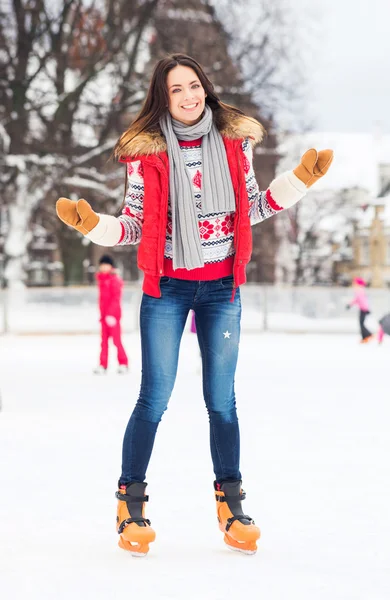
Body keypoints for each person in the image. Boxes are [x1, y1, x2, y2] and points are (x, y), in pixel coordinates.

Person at [56, 53, 333, 556]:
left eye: (193, 85)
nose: (188, 96)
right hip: (168, 289)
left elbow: (253, 207)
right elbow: (135, 225)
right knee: (154, 399)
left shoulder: (233, 144)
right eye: (176, 89)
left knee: (221, 402)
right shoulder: (149, 155)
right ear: (163, 99)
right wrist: (92, 225)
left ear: (204, 88)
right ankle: (130, 504)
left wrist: (299, 180)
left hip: (222, 287)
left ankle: (232, 506)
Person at [94, 254, 129, 374]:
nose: (104, 267)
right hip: (104, 317)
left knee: (116, 341)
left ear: (110, 266)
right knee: (103, 342)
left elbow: (115, 298)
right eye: (102, 265)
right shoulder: (101, 279)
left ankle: (123, 363)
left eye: (106, 265)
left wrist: (111, 314)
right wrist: (103, 315)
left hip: (113, 317)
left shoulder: (115, 280)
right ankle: (103, 365)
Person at [346, 277, 373, 343]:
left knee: (361, 323)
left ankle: (368, 335)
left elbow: (360, 300)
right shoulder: (360, 290)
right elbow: (359, 300)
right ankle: (365, 337)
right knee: (361, 323)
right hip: (363, 309)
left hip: (363, 309)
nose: (353, 284)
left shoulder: (359, 291)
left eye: (354, 283)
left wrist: (350, 305)